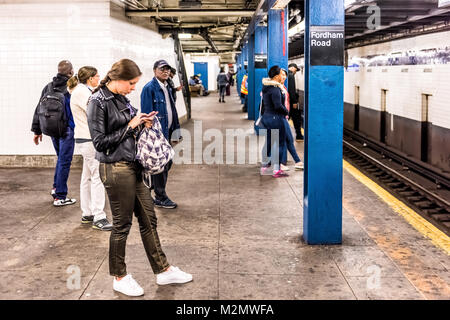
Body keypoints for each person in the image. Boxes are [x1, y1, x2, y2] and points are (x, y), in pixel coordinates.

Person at [87, 58, 192, 297]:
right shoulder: (97, 101)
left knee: (149, 219)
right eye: (131, 83)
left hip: (133, 166)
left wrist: (143, 122)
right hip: (115, 168)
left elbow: (129, 125)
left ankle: (163, 270)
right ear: (118, 79)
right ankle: (119, 277)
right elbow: (100, 143)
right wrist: (131, 125)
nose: (134, 88)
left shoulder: (120, 98)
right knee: (122, 225)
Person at [68, 66, 112, 231]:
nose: (99, 78)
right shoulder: (82, 92)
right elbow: (95, 113)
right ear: (91, 78)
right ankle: (99, 217)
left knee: (87, 176)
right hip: (89, 139)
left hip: (85, 138)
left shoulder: (82, 90)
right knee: (97, 176)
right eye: (97, 76)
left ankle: (87, 213)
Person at [31, 60, 77, 206]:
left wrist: (37, 130)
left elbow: (38, 109)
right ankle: (60, 197)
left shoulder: (48, 86)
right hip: (66, 130)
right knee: (64, 161)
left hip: (51, 129)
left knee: (61, 159)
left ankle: (56, 188)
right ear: (70, 72)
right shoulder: (72, 87)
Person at [140, 60, 181, 209]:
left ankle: (153, 189)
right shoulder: (149, 88)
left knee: (166, 163)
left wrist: (176, 132)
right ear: (154, 70)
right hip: (158, 133)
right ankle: (160, 196)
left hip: (167, 132)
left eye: (167, 69)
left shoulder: (167, 87)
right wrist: (152, 134)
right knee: (161, 164)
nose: (165, 72)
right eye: (162, 69)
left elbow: (172, 111)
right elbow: (146, 114)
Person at [260, 65, 289, 178]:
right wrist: (286, 111)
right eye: (281, 73)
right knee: (280, 144)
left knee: (269, 142)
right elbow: (278, 106)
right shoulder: (275, 89)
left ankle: (264, 166)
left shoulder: (266, 87)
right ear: (276, 76)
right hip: (276, 118)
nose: (282, 75)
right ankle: (277, 170)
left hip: (267, 117)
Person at [279, 69, 304, 171]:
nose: (284, 77)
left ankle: (295, 162)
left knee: (287, 140)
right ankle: (284, 163)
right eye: (282, 75)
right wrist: (284, 112)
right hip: (280, 118)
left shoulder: (283, 87)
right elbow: (278, 104)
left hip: (284, 117)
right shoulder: (276, 88)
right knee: (285, 140)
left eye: (285, 75)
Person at [288, 63, 304, 141]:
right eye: (296, 70)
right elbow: (291, 89)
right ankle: (299, 135)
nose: (295, 72)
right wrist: (294, 101)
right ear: (293, 68)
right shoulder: (290, 76)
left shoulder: (284, 74)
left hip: (286, 101)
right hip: (291, 102)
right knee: (296, 118)